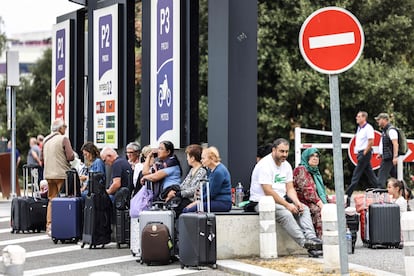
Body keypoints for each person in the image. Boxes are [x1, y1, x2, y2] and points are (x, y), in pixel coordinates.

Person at [249, 138, 323, 258]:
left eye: (286, 152)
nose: (284, 154)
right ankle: (305, 243)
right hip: (262, 201)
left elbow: (290, 188)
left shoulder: (286, 165)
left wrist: (296, 202)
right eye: (281, 151)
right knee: (286, 213)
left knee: (303, 209)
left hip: (281, 199)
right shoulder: (265, 165)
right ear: (274, 150)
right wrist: (287, 205)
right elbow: (268, 191)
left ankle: (312, 239)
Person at [42, 119, 75, 236]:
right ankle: (64, 224)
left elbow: (42, 158)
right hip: (61, 174)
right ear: (60, 128)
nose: (65, 129)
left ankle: (49, 226)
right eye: (64, 127)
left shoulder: (46, 140)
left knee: (52, 200)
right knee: (64, 199)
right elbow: (70, 156)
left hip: (49, 175)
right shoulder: (63, 139)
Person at [293, 148, 330, 238]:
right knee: (318, 210)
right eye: (312, 156)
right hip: (303, 201)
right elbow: (308, 191)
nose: (315, 158)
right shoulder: (300, 169)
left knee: (335, 209)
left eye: (317, 156)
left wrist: (328, 202)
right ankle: (320, 241)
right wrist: (322, 205)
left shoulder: (315, 172)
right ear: (306, 157)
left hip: (314, 201)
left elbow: (320, 191)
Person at [183, 146, 232, 213]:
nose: (201, 160)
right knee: (187, 209)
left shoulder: (219, 172)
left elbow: (212, 193)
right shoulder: (211, 170)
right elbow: (205, 188)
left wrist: (198, 202)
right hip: (213, 201)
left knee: (188, 210)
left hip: (222, 202)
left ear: (211, 158)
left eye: (203, 158)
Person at [164, 144, 207, 216]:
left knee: (175, 208)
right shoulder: (192, 170)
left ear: (192, 158)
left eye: (187, 156)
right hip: (185, 198)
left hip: (191, 200)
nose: (187, 159)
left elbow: (195, 189)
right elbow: (184, 184)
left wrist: (179, 193)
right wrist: (175, 192)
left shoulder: (202, 171)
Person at [345, 111, 378, 207]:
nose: (357, 118)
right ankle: (381, 190)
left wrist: (364, 152)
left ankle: (348, 194)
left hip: (365, 152)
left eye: (359, 116)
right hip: (361, 152)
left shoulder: (368, 128)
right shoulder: (359, 128)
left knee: (356, 174)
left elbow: (371, 141)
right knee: (370, 175)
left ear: (364, 118)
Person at [376, 113, 399, 188]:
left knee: (380, 180)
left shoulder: (391, 130)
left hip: (389, 158)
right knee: (397, 179)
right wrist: (381, 153)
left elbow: (395, 144)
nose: (378, 121)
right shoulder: (385, 130)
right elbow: (385, 144)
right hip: (387, 157)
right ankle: (407, 195)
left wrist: (395, 157)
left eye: (379, 119)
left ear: (385, 120)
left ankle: (381, 198)